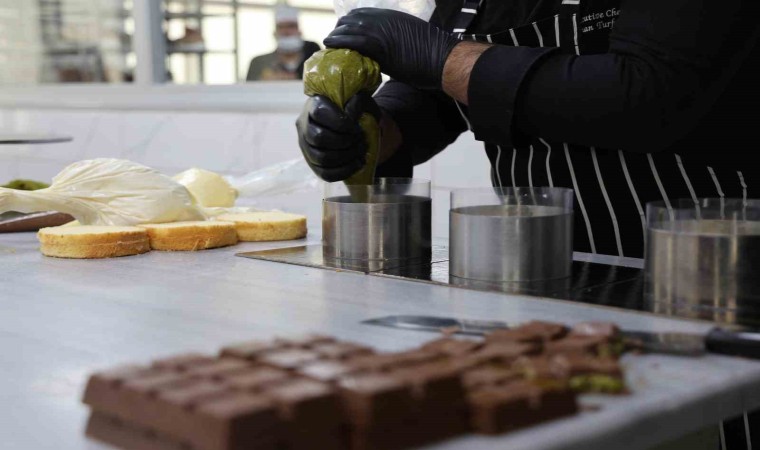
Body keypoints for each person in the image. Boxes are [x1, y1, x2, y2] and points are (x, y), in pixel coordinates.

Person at [297, 0, 760, 260]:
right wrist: (373, 128)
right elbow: (438, 98)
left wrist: (444, 58)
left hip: (712, 264)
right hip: (545, 265)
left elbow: (653, 94)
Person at [246, 5, 320, 81]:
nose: (286, 32)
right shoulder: (259, 63)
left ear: (299, 31)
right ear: (275, 33)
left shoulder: (314, 56)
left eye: (291, 26)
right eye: (281, 27)